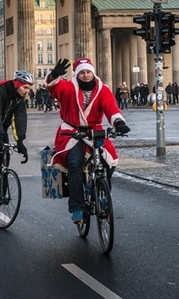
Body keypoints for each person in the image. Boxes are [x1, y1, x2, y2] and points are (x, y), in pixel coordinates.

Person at [45, 58, 130, 224]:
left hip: (94, 131)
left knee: (109, 161)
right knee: (74, 164)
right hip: (71, 132)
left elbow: (110, 107)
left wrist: (118, 122)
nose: (85, 75)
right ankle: (77, 207)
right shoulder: (68, 87)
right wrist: (54, 75)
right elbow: (53, 87)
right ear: (77, 74)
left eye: (88, 72)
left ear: (93, 72)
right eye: (82, 72)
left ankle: (101, 194)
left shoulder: (102, 89)